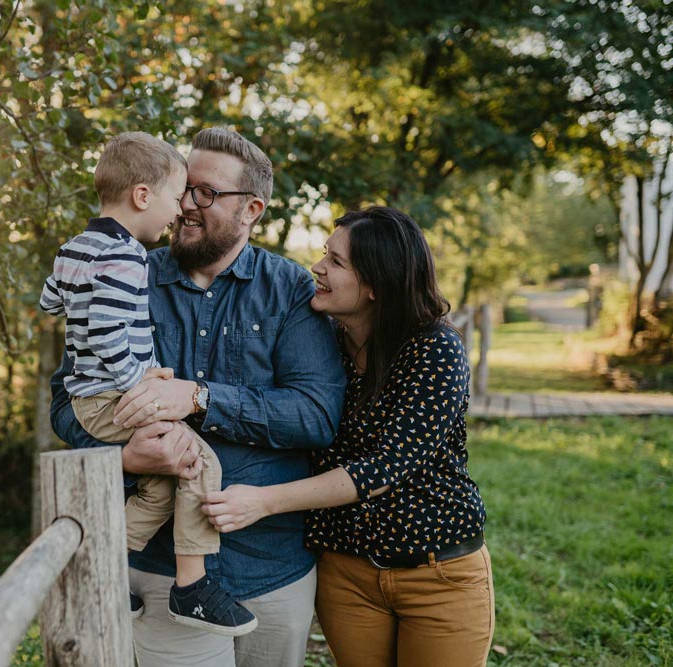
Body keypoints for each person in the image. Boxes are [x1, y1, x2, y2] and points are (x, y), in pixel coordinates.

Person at [50, 127, 346, 666]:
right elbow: (66, 403)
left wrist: (201, 398)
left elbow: (317, 415)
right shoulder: (125, 273)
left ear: (251, 209)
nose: (185, 204)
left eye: (205, 193)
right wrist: (124, 456)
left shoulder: (292, 290)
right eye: (184, 188)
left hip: (271, 570)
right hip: (160, 574)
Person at [203, 206, 495, 667]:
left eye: (337, 262)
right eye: (324, 254)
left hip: (437, 572)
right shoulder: (322, 342)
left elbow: (383, 467)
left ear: (378, 284)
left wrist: (263, 500)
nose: (317, 267)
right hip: (346, 573)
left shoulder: (434, 349)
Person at [39, 131, 256, 637]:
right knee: (200, 463)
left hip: (89, 392)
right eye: (174, 197)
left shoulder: (76, 247)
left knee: (159, 487)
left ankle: (102, 561)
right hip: (116, 394)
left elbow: (52, 301)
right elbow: (108, 332)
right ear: (141, 196)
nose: (179, 211)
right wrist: (140, 382)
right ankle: (192, 586)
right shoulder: (127, 257)